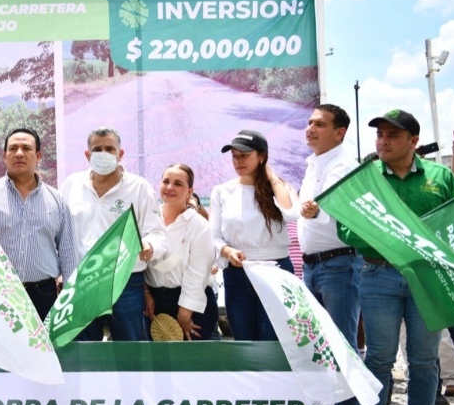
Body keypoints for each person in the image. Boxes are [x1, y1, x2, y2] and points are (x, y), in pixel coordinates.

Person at [340, 110, 454, 405]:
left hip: (427, 277)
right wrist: (389, 242)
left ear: (413, 141)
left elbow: (453, 224)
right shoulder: (365, 179)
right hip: (378, 275)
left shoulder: (441, 177)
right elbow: (346, 230)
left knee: (424, 360)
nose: (383, 141)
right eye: (380, 135)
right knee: (378, 358)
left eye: (393, 135)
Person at [296, 104, 364, 405]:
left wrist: (319, 210)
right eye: (309, 122)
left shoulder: (345, 167)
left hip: (339, 266)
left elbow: (346, 214)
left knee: (342, 348)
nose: (310, 129)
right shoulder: (312, 165)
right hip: (312, 267)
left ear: (340, 132)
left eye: (320, 124)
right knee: (321, 349)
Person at [60, 127, 166, 341]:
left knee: (130, 350)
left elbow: (158, 234)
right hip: (82, 282)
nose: (104, 153)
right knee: (83, 350)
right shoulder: (72, 184)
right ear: (87, 155)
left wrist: (149, 246)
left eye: (110, 148)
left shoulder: (140, 188)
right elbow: (60, 232)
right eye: (97, 149)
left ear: (121, 154)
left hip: (125, 283)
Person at [0, 128, 79, 319]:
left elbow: (68, 252)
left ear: (38, 155)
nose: (19, 154)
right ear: (4, 156)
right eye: (13, 148)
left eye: (26, 148)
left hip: (44, 294)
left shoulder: (57, 200)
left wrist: (70, 294)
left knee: (45, 349)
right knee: (0, 349)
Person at [210, 129, 299, 341]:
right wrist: (228, 250)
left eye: (245, 155)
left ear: (262, 156)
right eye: (234, 156)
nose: (238, 161)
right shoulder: (222, 191)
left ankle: (278, 376)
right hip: (238, 271)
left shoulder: (279, 187)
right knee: (244, 338)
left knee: (275, 338)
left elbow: (291, 212)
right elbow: (213, 235)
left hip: (275, 269)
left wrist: (271, 177)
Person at [144, 164, 217, 340]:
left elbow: (197, 274)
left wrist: (184, 315)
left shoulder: (199, 226)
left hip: (191, 308)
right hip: (153, 303)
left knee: (192, 363)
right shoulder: (148, 219)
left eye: (178, 184)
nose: (170, 187)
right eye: (166, 181)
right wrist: (146, 294)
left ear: (190, 191)